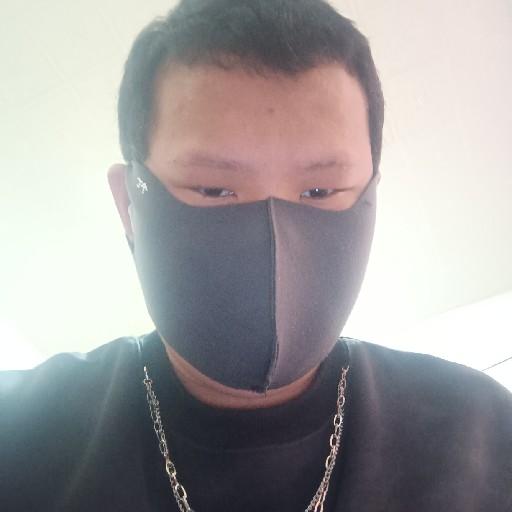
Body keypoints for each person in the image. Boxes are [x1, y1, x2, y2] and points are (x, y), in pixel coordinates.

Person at [1, 0, 511, 510]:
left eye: (318, 192)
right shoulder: (20, 435)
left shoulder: (481, 433)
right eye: (214, 189)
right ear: (128, 204)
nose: (273, 243)